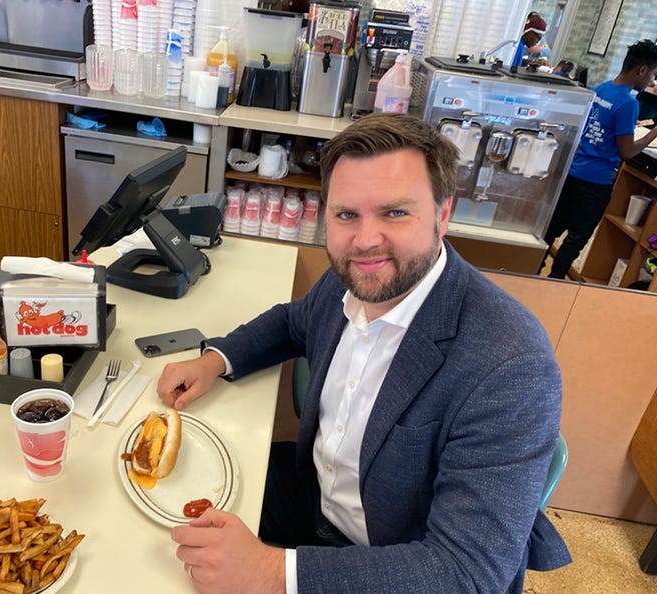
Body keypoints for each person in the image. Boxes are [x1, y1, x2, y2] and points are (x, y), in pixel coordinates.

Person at [158, 113, 571, 593]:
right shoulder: (352, 278)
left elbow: (470, 572)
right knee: (167, 517)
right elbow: (292, 322)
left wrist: (274, 574)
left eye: (395, 212)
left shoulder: (510, 364)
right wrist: (216, 360)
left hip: (401, 560)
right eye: (346, 214)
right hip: (315, 497)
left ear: (442, 214)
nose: (365, 240)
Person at [543, 40, 657, 279]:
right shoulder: (628, 103)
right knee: (576, 238)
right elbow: (627, 152)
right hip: (595, 181)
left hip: (572, 172)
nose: (651, 82)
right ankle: (555, 282)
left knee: (552, 230)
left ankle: (532, 272)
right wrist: (653, 134)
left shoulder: (601, 89)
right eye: (653, 74)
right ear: (642, 70)